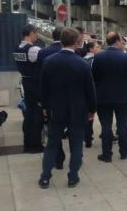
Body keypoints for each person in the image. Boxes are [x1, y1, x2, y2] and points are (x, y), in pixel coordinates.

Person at [39, 27, 96, 189]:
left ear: (61, 40)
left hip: (56, 110)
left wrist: (44, 106)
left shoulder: (49, 62)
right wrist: (92, 109)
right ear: (76, 42)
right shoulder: (82, 64)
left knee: (52, 144)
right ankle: (73, 177)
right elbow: (89, 90)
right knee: (76, 145)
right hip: (78, 111)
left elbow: (43, 88)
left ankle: (45, 177)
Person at [92, 31, 127, 162]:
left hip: (103, 96)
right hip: (121, 95)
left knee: (106, 125)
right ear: (116, 41)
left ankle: (106, 153)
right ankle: (124, 152)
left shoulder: (98, 57)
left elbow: (94, 77)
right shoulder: (125, 57)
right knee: (122, 123)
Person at [37, 26, 67, 169]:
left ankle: (58, 158)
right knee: (73, 132)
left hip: (52, 100)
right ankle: (76, 161)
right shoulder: (75, 53)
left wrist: (43, 104)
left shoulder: (43, 53)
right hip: (71, 100)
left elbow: (41, 80)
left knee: (54, 132)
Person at [13, 24, 44, 153]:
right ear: (30, 33)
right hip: (35, 83)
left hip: (25, 81)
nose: (36, 36)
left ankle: (27, 144)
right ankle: (36, 145)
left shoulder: (17, 48)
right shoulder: (33, 49)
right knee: (38, 114)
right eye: (35, 33)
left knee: (29, 114)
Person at [83, 41, 101, 148]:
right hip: (96, 90)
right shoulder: (95, 60)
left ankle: (87, 137)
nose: (99, 49)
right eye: (97, 47)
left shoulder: (82, 60)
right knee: (95, 113)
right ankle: (89, 137)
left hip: (85, 91)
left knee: (88, 114)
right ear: (91, 49)